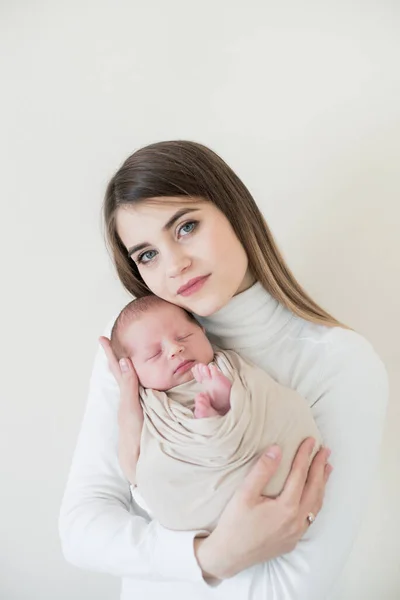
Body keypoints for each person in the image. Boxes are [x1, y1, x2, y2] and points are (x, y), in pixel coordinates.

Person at [59, 140, 388, 600]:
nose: (175, 264)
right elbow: (81, 528)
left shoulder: (339, 364)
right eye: (147, 254)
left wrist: (159, 554)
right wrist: (210, 557)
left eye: (186, 226)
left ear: (235, 211)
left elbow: (291, 587)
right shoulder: (137, 354)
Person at [109, 294, 322, 531]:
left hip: (272, 461)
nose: (175, 349)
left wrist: (238, 400)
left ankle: (225, 406)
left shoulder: (230, 366)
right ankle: (212, 420)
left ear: (203, 331)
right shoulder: (149, 405)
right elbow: (147, 471)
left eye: (184, 336)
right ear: (133, 371)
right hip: (201, 491)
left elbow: (269, 400)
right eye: (154, 354)